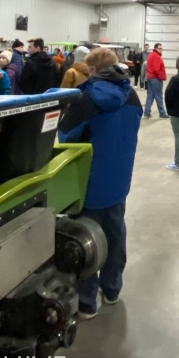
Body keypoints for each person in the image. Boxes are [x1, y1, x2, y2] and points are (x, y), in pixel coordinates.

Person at [57, 47, 142, 319]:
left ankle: (86, 302)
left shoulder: (84, 99)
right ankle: (112, 288)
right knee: (115, 232)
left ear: (92, 70)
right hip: (120, 179)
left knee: (85, 239)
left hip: (89, 182)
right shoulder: (132, 96)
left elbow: (66, 136)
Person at [143, 43, 167, 119]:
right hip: (156, 79)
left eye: (161, 48)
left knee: (150, 95)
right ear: (156, 48)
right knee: (159, 96)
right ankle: (162, 113)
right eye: (160, 48)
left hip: (150, 78)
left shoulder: (151, 55)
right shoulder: (156, 56)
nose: (161, 50)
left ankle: (146, 113)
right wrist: (161, 77)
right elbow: (156, 70)